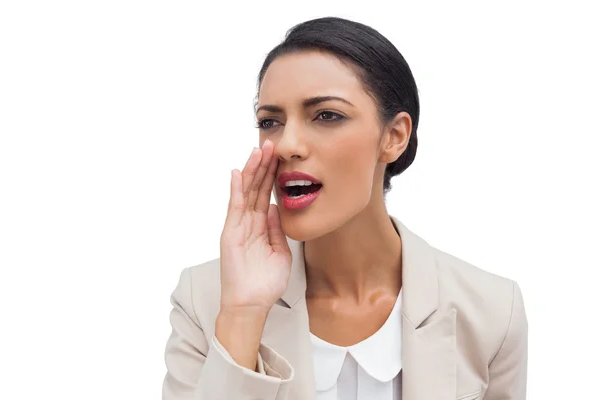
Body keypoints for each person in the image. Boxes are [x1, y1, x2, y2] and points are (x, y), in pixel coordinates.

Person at [161, 16, 528, 400]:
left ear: (394, 136)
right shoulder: (204, 300)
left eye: (326, 115)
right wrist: (243, 314)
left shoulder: (491, 311)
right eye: (270, 121)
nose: (287, 145)